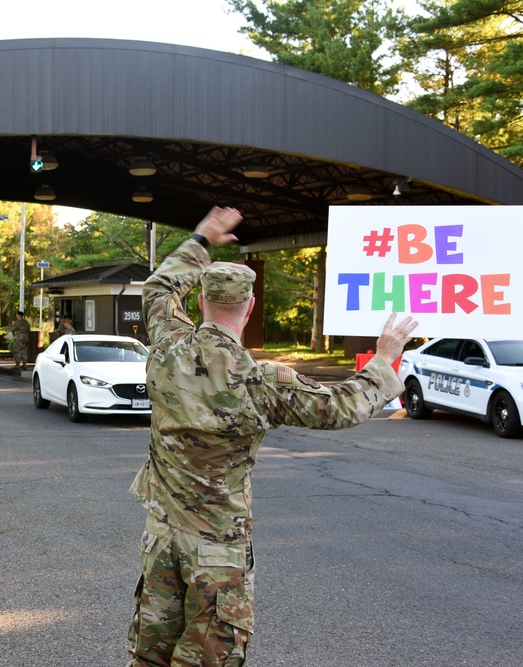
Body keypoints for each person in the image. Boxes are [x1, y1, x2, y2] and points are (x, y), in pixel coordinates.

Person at [127, 206, 418, 667]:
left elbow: (160, 288)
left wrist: (201, 237)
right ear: (251, 307)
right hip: (216, 554)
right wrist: (385, 357)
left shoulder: (165, 347)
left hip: (161, 540)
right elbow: (345, 406)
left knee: (150, 659)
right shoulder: (262, 381)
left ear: (201, 302)